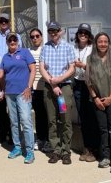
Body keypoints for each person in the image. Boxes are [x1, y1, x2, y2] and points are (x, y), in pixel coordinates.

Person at [0, 33, 36, 164]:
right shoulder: (5, 57)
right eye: (9, 40)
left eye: (14, 39)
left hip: (24, 92)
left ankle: (29, 151)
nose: (12, 41)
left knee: (26, 121)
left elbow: (33, 70)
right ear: (7, 42)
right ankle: (17, 147)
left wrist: (29, 87)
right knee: (14, 122)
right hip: (10, 93)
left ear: (18, 41)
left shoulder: (25, 52)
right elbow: (2, 72)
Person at [86, 32, 111, 173]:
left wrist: (110, 98)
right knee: (102, 130)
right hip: (97, 100)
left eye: (105, 42)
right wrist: (95, 98)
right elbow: (88, 82)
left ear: (109, 43)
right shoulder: (90, 60)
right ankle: (106, 157)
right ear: (96, 44)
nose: (103, 44)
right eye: (100, 42)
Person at [39, 21, 76, 165]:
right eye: (50, 31)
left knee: (65, 118)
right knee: (52, 120)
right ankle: (56, 150)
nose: (53, 34)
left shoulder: (68, 47)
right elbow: (41, 67)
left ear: (60, 31)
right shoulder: (45, 48)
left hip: (64, 88)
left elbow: (72, 68)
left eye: (55, 31)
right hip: (50, 87)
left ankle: (66, 151)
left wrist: (59, 80)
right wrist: (52, 83)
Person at [0, 13, 20, 144]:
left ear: (9, 22)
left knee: (14, 106)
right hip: (0, 74)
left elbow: (20, 53)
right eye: (1, 20)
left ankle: (14, 135)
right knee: (1, 105)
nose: (3, 23)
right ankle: (3, 133)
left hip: (13, 74)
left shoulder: (16, 36)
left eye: (5, 21)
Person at [72, 23, 98, 163]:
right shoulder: (73, 48)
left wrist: (84, 65)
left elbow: (98, 66)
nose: (83, 35)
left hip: (91, 84)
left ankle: (94, 149)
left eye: (86, 33)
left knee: (92, 117)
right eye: (81, 32)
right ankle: (86, 147)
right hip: (77, 84)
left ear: (89, 36)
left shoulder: (93, 48)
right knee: (83, 117)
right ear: (77, 34)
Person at [28, 28, 49, 152]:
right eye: (32, 37)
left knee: (49, 115)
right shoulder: (28, 52)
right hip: (34, 88)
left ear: (41, 37)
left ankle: (48, 140)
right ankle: (41, 139)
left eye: (37, 36)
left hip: (45, 87)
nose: (35, 38)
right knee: (39, 115)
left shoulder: (46, 50)